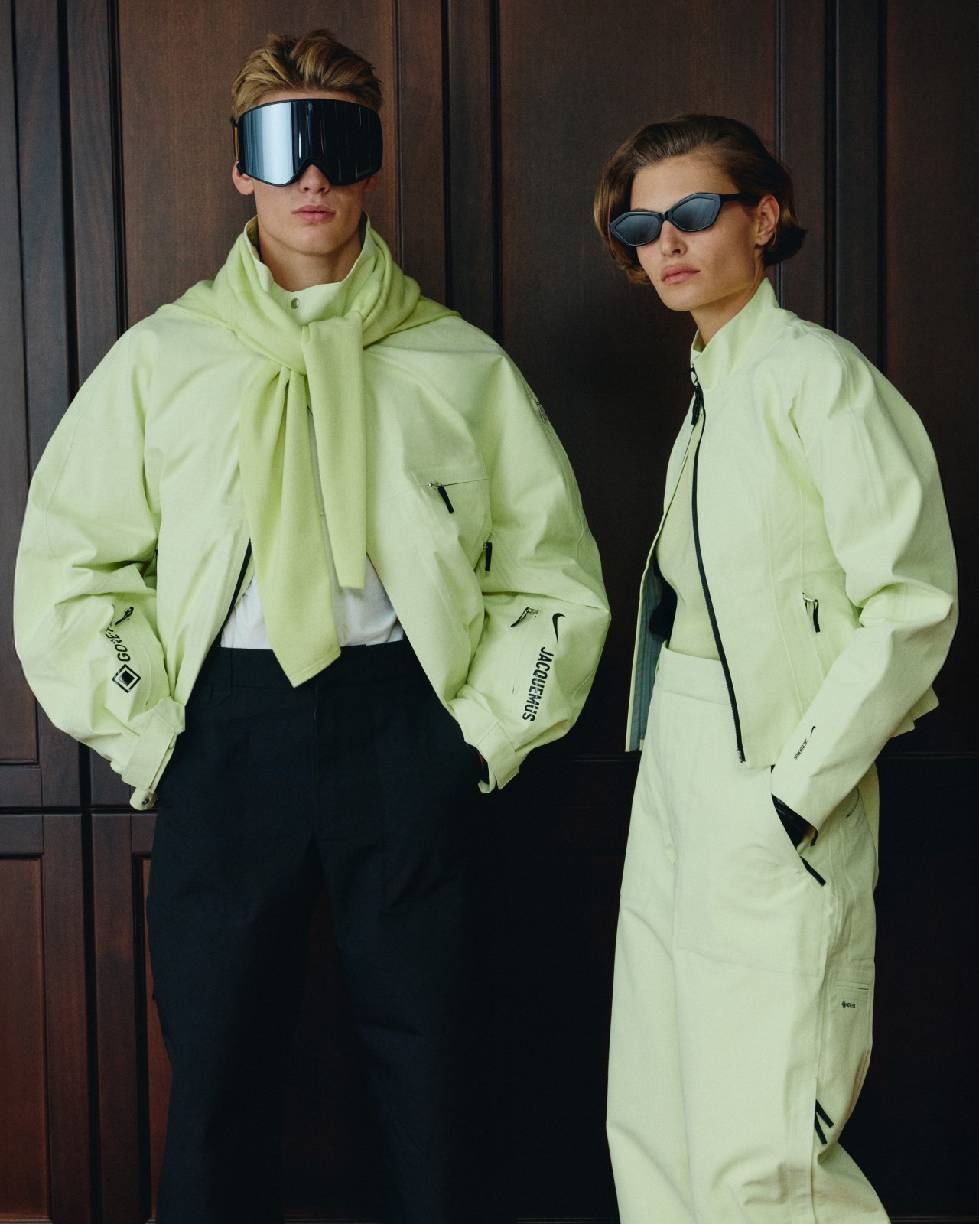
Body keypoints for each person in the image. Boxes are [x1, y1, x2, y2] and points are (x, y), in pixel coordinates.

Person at [14, 29, 609, 1224]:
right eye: (283, 146)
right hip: (223, 732)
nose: (313, 177)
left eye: (337, 142)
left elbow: (550, 573)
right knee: (218, 1067)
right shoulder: (160, 361)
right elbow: (70, 567)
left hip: (406, 727)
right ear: (241, 166)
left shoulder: (458, 365)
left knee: (434, 1064)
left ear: (371, 159)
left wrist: (478, 734)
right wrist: (152, 733)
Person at [593, 114, 956, 1223]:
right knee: (657, 1095)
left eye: (695, 213)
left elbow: (911, 602)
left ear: (763, 217)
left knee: (764, 1128)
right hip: (679, 757)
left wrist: (798, 790)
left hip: (779, 766)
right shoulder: (712, 384)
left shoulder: (818, 379)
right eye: (644, 227)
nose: (668, 243)